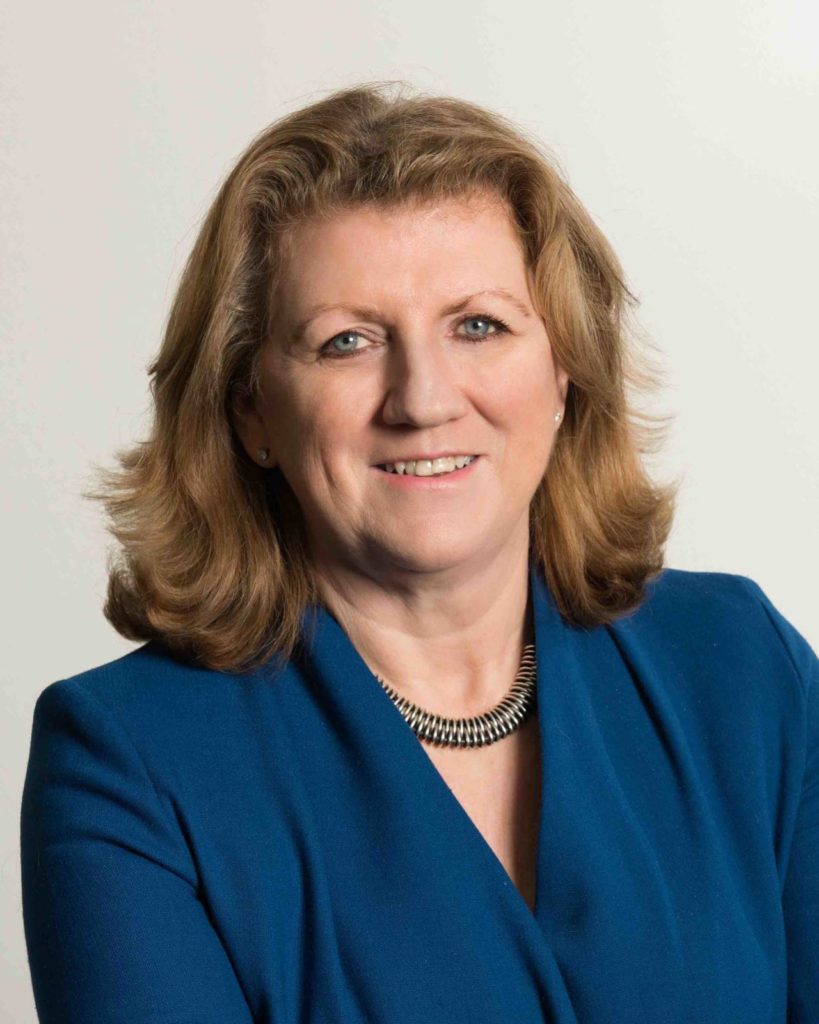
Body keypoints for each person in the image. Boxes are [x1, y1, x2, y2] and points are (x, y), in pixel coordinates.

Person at [19, 81, 817, 1024]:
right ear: (251, 410)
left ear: (563, 370)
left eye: (478, 325)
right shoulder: (126, 762)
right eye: (346, 342)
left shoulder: (739, 669)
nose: (423, 399)